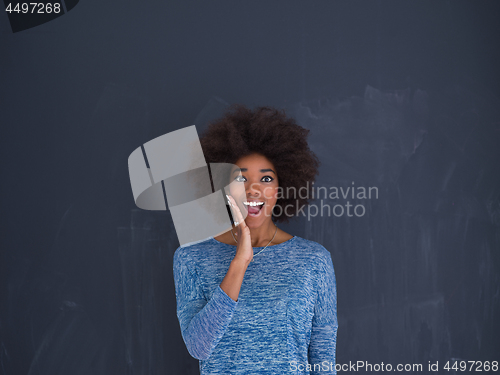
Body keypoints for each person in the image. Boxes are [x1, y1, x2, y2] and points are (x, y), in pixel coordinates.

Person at [173, 104, 338, 374]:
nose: (253, 188)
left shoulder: (314, 261)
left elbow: (323, 360)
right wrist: (240, 260)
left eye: (266, 178)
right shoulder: (191, 260)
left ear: (280, 188)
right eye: (240, 177)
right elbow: (199, 347)